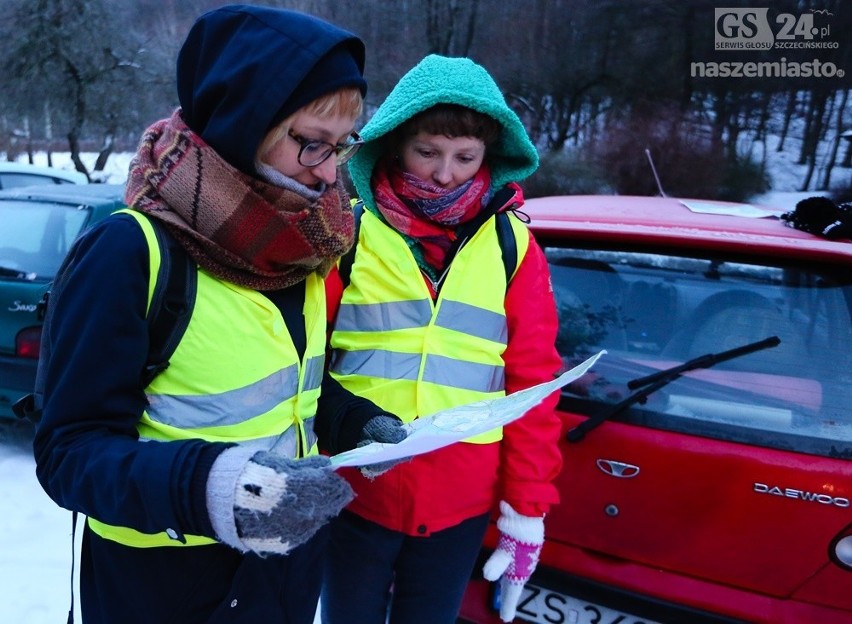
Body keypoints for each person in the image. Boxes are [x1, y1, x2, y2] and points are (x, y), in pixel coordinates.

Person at [32, 5, 404, 623]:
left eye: (342, 146)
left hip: (284, 569)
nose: (332, 171)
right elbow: (70, 453)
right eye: (312, 144)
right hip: (164, 586)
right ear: (243, 122)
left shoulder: (307, 243)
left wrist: (353, 422)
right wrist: (215, 488)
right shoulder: (130, 251)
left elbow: (285, 385)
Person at [320, 54, 564, 624]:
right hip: (354, 494)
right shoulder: (348, 232)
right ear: (396, 144)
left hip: (459, 505)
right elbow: (303, 361)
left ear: (489, 156)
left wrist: (525, 512)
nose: (444, 173)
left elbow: (533, 385)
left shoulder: (514, 249)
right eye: (427, 152)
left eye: (465, 157)